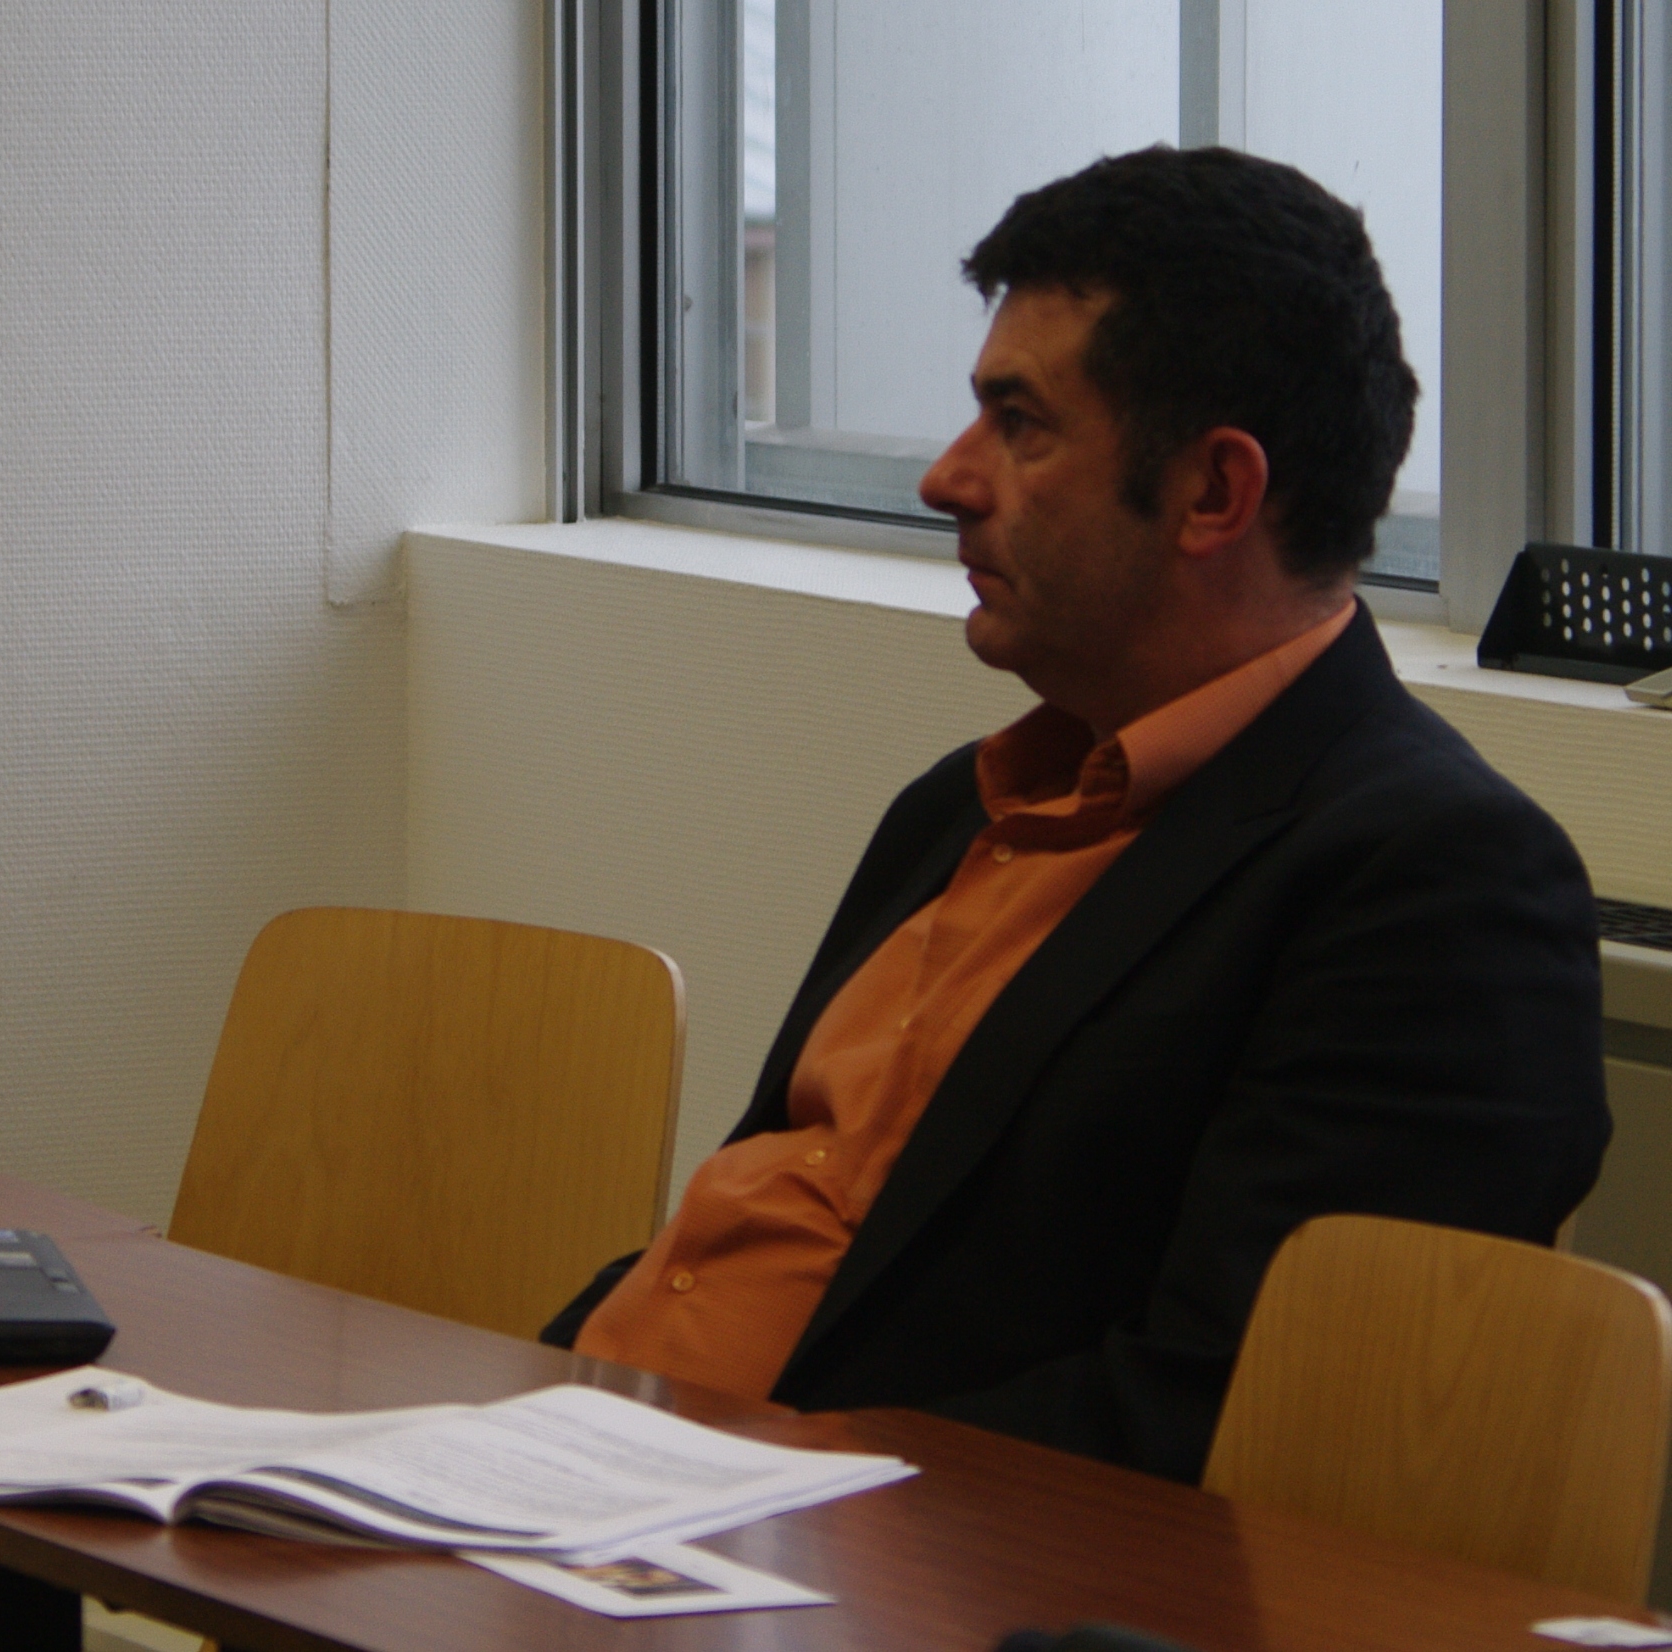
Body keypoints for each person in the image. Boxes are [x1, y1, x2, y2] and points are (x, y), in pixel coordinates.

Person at [540, 145, 1610, 1483]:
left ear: (1212, 494)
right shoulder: (959, 805)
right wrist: (514, 1408)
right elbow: (762, 1226)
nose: (945, 478)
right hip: (594, 1475)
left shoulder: (1434, 884)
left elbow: (1233, 1423)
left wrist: (748, 1495)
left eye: (1020, 424)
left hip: (840, 1550)